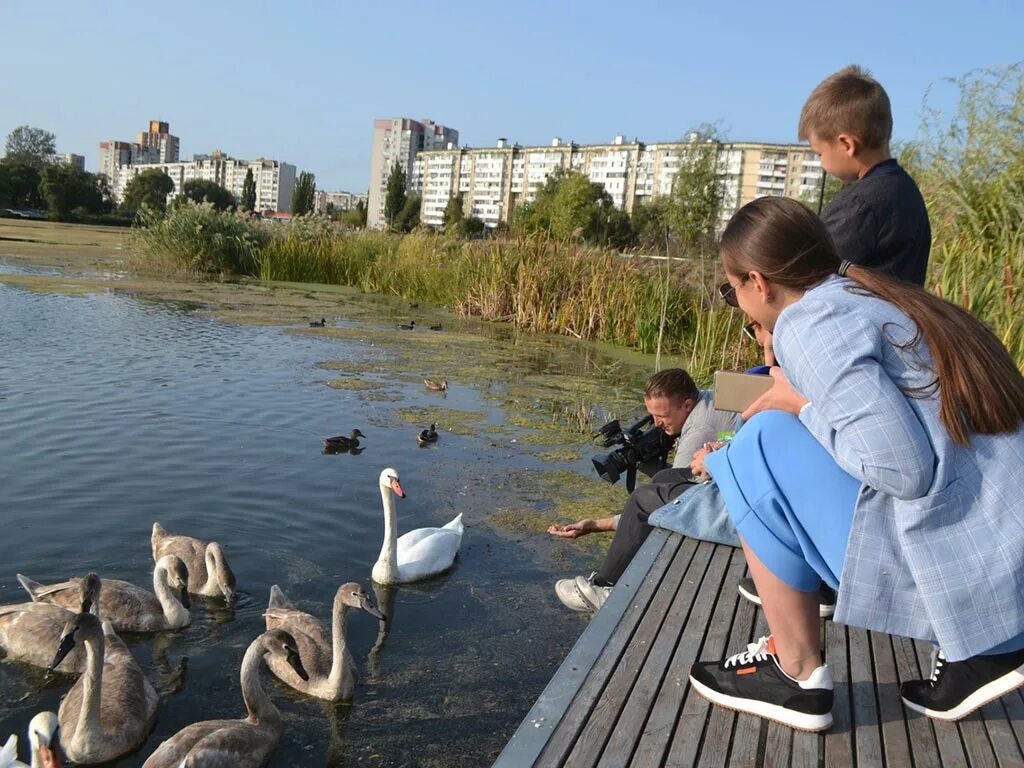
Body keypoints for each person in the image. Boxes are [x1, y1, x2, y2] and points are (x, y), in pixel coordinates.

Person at [688, 196, 1024, 733]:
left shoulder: (809, 322)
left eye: (733, 292)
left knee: (752, 445)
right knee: (777, 428)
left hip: (973, 567)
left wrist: (799, 404)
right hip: (1001, 557)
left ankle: (794, 670)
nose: (740, 307)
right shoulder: (862, 297)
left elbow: (902, 470)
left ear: (758, 282)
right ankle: (978, 646)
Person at [548, 368, 740, 613]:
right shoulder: (706, 399)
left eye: (662, 416)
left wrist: (599, 525)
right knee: (663, 477)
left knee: (643, 496)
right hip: (736, 484)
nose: (657, 424)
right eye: (652, 416)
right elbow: (670, 481)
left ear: (686, 404)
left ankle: (605, 587)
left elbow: (671, 505)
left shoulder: (700, 426)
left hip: (734, 510)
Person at [799, 65, 931, 285]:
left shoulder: (859, 205)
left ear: (846, 144)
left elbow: (807, 273)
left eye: (820, 153)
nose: (821, 164)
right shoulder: (906, 190)